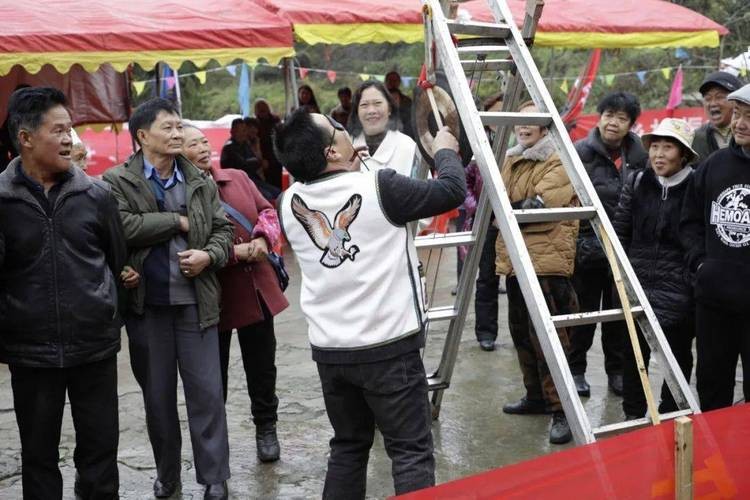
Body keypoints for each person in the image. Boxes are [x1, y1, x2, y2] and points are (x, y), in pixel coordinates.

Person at [274, 109, 465, 498]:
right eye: (339, 128)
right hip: (388, 349)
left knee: (348, 447)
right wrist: (445, 150)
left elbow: (341, 194)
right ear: (330, 150)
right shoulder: (381, 186)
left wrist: (350, 164)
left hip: (331, 352)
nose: (348, 131)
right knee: (410, 451)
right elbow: (451, 190)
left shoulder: (287, 200)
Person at [0, 86, 139, 499]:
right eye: (58, 130)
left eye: (70, 130)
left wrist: (109, 315)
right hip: (30, 353)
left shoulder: (96, 196)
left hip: (94, 348)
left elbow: (118, 261)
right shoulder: (2, 200)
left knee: (99, 454)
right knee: (39, 457)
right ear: (25, 138)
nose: (69, 140)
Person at [103, 97, 233, 500]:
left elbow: (223, 230)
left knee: (207, 395)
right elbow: (121, 227)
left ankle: (214, 477)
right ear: (142, 136)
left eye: (181, 126)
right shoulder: (115, 181)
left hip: (197, 304)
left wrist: (208, 254)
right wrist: (177, 222)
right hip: (147, 306)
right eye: (169, 127)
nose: (178, 133)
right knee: (158, 398)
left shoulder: (198, 178)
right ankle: (168, 475)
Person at [182, 123, 289, 463]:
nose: (202, 148)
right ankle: (217, 441)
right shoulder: (177, 193)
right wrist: (233, 253)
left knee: (262, 366)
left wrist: (261, 237)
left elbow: (268, 209)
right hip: (215, 293)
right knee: (215, 374)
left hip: (256, 286)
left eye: (203, 142)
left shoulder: (236, 177)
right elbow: (186, 247)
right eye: (192, 144)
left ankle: (266, 428)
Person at [496, 101, 579, 445]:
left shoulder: (559, 158)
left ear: (546, 126)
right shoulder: (513, 159)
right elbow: (494, 201)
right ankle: (535, 397)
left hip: (547, 263)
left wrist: (507, 209)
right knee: (520, 333)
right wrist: (507, 209)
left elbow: (539, 209)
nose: (524, 126)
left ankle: (562, 410)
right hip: (517, 259)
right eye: (520, 120)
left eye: (532, 120)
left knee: (550, 342)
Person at [613, 118, 697, 419]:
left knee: (676, 359)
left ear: (684, 154)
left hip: (679, 293)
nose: (659, 154)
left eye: (668, 147)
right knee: (634, 357)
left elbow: (699, 242)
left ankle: (671, 416)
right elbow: (620, 233)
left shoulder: (696, 187)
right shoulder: (637, 182)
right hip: (636, 287)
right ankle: (633, 417)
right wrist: (622, 279)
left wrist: (689, 283)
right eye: (655, 146)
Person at [569, 91, 648, 398]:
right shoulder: (579, 152)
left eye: (621, 117)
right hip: (588, 247)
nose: (613, 122)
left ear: (630, 124)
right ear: (599, 117)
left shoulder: (640, 156)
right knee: (584, 315)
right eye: (608, 115)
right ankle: (576, 369)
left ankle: (615, 372)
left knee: (619, 315)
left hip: (624, 249)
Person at [680, 83, 750, 412]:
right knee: (712, 385)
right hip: (714, 300)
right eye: (738, 114)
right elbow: (689, 220)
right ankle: (716, 459)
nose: (740, 123)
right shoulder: (714, 165)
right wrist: (700, 264)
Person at [460, 93, 505, 351]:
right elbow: (464, 182)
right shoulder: (476, 144)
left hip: (515, 219)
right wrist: (479, 208)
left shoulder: (519, 139)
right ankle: (486, 332)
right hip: (486, 221)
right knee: (487, 278)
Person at [349, 80, 420, 178]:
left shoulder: (408, 147)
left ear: (389, 109)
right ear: (357, 112)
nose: (371, 111)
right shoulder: (347, 147)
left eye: (377, 103)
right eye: (364, 105)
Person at [220, 118, 280, 202]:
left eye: (244, 130)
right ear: (232, 132)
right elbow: (244, 165)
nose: (243, 134)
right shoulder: (229, 148)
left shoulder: (245, 144)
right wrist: (259, 163)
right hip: (237, 183)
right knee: (268, 196)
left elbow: (255, 160)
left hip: (250, 179)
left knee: (277, 192)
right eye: (239, 131)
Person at [692, 71, 743, 164]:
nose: (713, 103)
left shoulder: (745, 132)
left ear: (737, 100)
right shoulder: (696, 138)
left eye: (719, 97)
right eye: (708, 99)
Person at [254, 99, 283, 189]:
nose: (262, 110)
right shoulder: (255, 123)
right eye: (259, 108)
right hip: (263, 155)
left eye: (264, 107)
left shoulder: (275, 120)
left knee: (277, 180)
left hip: (276, 154)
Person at [385, 70, 415, 139]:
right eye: (390, 81)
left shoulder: (407, 101)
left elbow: (411, 123)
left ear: (399, 82)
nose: (392, 83)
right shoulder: (379, 101)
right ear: (386, 82)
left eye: (395, 81)